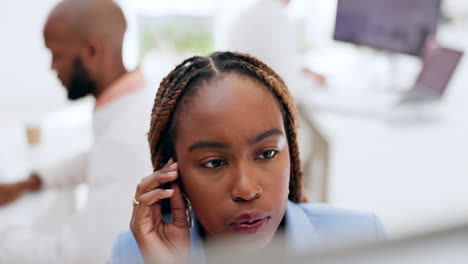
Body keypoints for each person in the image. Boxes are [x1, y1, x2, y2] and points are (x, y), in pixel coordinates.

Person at [110, 51, 385, 264]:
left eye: (267, 153)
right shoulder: (134, 253)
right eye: (214, 163)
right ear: (172, 172)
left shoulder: (360, 238)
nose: (246, 189)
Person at [0, 0, 152, 262]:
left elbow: (79, 257)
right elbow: (96, 157)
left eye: (56, 55)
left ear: (93, 51)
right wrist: (32, 182)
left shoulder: (124, 136)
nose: (52, 66)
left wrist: (5, 230)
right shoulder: (135, 104)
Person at [224, 0, 329, 202]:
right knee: (319, 142)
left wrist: (300, 72)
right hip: (259, 127)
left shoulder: (250, 14)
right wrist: (310, 82)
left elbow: (270, 64)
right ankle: (304, 207)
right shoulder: (276, 19)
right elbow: (288, 85)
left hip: (241, 116)